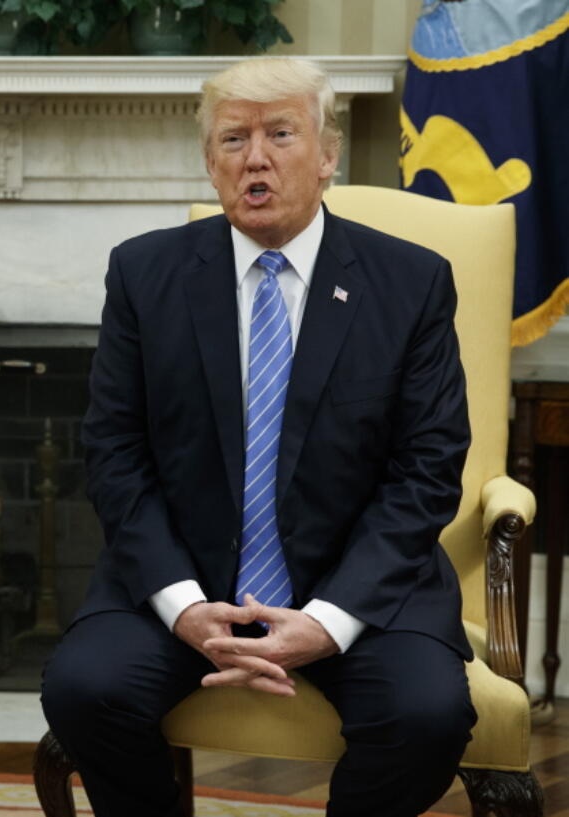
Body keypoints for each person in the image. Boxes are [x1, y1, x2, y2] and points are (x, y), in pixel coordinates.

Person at [40, 57, 476, 817]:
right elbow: (115, 453)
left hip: (360, 587)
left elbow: (428, 470)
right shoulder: (145, 275)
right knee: (85, 690)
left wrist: (327, 620)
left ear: (328, 154)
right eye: (234, 139)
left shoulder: (410, 283)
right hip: (187, 576)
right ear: (211, 164)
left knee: (426, 714)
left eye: (281, 133)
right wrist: (181, 604)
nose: (257, 159)